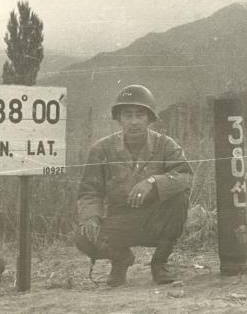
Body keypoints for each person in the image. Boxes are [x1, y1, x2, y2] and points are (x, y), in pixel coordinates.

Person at [75, 84, 193, 287]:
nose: (134, 121)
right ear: (119, 119)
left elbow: (185, 176)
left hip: (156, 219)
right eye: (127, 115)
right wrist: (92, 217)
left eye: (140, 115)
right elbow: (89, 191)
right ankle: (120, 260)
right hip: (120, 220)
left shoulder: (166, 145)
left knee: (179, 196)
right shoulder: (102, 149)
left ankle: (160, 263)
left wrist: (153, 181)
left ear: (149, 118)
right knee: (83, 235)